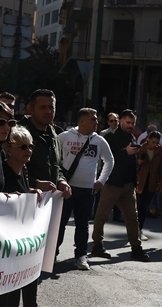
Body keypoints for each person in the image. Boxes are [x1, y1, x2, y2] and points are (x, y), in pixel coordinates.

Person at [56, 108, 114, 270]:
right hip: (66, 188)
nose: (97, 122)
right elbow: (53, 156)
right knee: (60, 223)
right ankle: (52, 253)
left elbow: (109, 161)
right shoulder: (65, 136)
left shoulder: (99, 141)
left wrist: (101, 181)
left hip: (87, 190)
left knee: (82, 225)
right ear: (82, 121)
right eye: (93, 119)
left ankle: (81, 256)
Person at [91, 109, 149, 261]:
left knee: (132, 217)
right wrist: (125, 152)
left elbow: (129, 159)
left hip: (128, 184)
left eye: (133, 123)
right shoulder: (110, 137)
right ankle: (97, 245)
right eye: (128, 122)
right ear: (121, 121)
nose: (130, 125)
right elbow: (106, 158)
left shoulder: (131, 137)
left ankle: (136, 248)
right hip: (111, 183)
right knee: (102, 215)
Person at [0, 125, 41, 307]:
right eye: (22, 147)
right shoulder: (1, 172)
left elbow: (19, 192)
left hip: (22, 248)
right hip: (5, 251)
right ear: (8, 149)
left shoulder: (23, 171)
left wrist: (31, 191)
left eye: (30, 146)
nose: (28, 150)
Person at [18, 89, 71, 198]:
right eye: (43, 107)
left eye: (51, 107)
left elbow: (57, 166)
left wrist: (61, 181)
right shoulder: (18, 134)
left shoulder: (54, 135)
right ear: (30, 109)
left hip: (48, 203)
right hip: (24, 200)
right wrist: (35, 183)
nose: (48, 111)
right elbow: (9, 169)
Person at [135, 131, 162, 240]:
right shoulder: (140, 149)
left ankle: (139, 230)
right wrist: (139, 162)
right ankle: (135, 230)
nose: (155, 145)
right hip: (140, 181)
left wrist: (161, 183)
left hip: (152, 182)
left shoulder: (161, 152)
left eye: (157, 143)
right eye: (153, 142)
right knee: (138, 207)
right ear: (148, 139)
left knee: (144, 207)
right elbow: (133, 163)